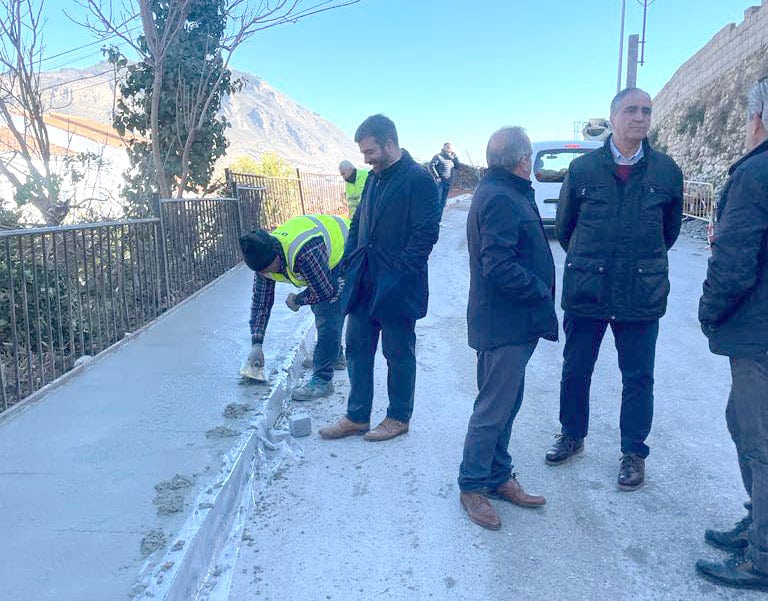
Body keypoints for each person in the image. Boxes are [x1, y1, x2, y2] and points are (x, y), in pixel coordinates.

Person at [546, 87, 683, 490]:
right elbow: (566, 229)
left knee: (639, 377)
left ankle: (633, 453)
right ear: (613, 117)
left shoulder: (666, 171)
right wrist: (594, 262)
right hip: (589, 288)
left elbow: (669, 232)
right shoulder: (584, 169)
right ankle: (572, 435)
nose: (640, 117)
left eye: (646, 111)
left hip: (641, 293)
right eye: (631, 110)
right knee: (576, 370)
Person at [458, 127, 557, 530]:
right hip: (504, 324)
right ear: (523, 159)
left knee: (507, 403)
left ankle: (499, 476)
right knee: (494, 407)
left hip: (512, 323)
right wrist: (539, 289)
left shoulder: (505, 190)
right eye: (530, 155)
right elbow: (497, 265)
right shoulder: (500, 196)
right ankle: (471, 484)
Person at [319, 114, 440, 442]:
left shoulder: (419, 179)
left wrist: (400, 273)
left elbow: (426, 234)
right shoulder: (373, 178)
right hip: (364, 282)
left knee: (398, 353)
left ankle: (398, 417)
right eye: (362, 153)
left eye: (370, 151)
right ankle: (357, 416)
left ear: (390, 143)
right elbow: (359, 223)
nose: (366, 159)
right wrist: (348, 262)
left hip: (398, 285)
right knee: (357, 347)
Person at [695, 78, 768, 591]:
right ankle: (758, 526)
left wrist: (708, 310)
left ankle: (761, 556)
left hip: (758, 333)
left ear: (757, 119)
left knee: (758, 438)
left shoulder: (755, 174)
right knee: (741, 425)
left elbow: (736, 263)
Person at [239, 214, 349, 401]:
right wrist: (257, 343)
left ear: (276, 254)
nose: (265, 274)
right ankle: (335, 355)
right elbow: (261, 303)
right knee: (320, 307)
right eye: (260, 271)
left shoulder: (303, 251)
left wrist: (298, 300)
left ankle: (322, 380)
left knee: (326, 312)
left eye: (267, 268)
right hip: (322, 255)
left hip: (348, 248)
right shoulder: (263, 263)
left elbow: (324, 292)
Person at [429, 142, 460, 213]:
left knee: (443, 202)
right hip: (440, 183)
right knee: (437, 201)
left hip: (448, 182)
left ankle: (439, 220)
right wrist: (437, 177)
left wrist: (455, 158)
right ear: (443, 147)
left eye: (451, 147)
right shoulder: (438, 156)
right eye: (448, 147)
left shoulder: (452, 158)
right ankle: (433, 220)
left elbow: (457, 166)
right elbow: (431, 166)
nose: (450, 148)